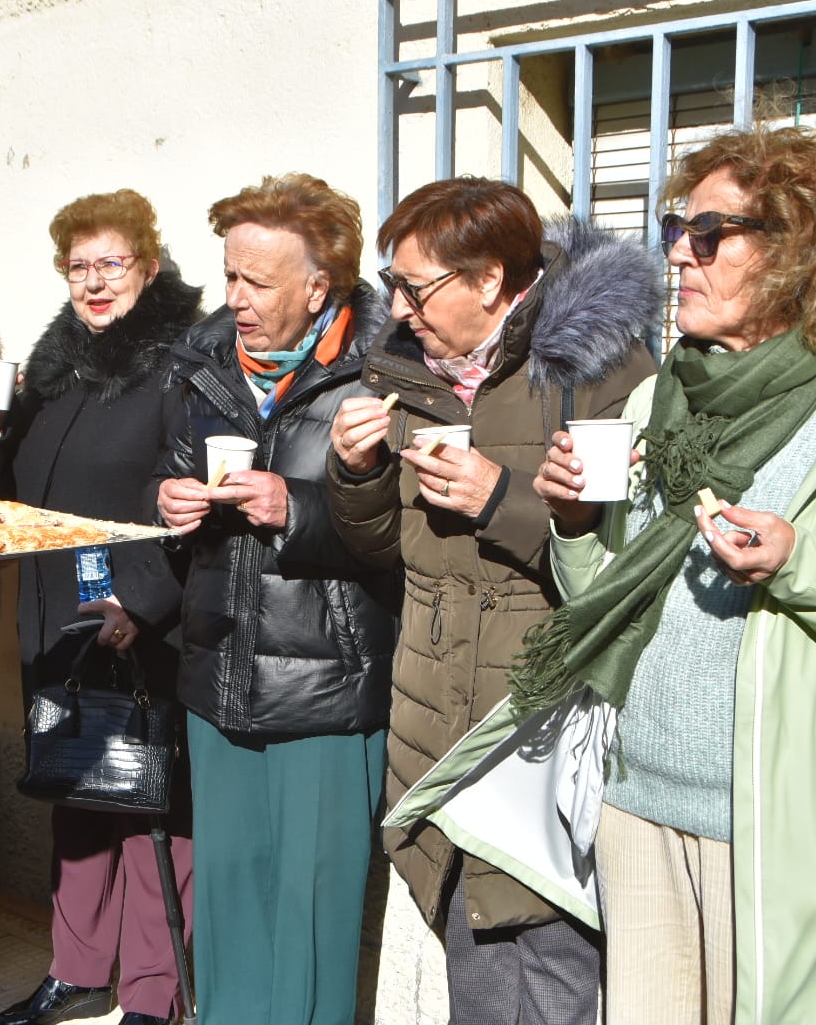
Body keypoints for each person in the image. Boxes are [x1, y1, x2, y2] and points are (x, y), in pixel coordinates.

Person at [520, 124, 816, 1020]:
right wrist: (572, 526)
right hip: (634, 804)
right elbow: (604, 599)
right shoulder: (660, 396)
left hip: (776, 823)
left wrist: (800, 562)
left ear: (799, 254)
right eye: (678, 229)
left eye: (712, 234)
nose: (680, 253)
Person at [325, 179, 658, 1023]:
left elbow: (630, 567)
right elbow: (381, 554)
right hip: (435, 721)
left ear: (491, 282)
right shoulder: (405, 373)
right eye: (394, 284)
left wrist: (499, 497)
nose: (398, 309)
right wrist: (356, 474)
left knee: (544, 976)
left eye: (417, 287)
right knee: (475, 972)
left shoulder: (603, 370)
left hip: (538, 739)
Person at [154, 173, 398, 1024]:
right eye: (229, 275)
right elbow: (175, 478)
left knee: (311, 911)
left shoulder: (386, 369)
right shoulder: (202, 363)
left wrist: (292, 508)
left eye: (257, 282)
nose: (236, 299)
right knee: (226, 898)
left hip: (327, 683)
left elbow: (404, 531)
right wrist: (172, 504)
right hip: (217, 666)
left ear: (318, 286)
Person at [0, 189, 201, 1025]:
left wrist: (139, 602)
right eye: (80, 266)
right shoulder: (58, 366)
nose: (96, 282)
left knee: (149, 805)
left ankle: (151, 990)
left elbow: (193, 504)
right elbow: (18, 490)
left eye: (112, 263)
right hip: (61, 620)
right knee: (77, 795)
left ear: (147, 263)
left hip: (142, 619)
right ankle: (77, 970)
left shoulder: (181, 361)